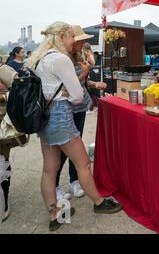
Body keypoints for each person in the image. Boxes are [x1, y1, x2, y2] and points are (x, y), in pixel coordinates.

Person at [26, 22, 122, 232]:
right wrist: (71, 93)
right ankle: (99, 203)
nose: (74, 42)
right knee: (84, 163)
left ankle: (55, 215)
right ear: (62, 36)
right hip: (60, 116)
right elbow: (78, 96)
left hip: (45, 117)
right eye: (72, 37)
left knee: (49, 169)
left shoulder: (40, 59)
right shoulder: (61, 59)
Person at [55, 26, 107, 201]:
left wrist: (92, 84)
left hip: (79, 108)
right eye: (81, 41)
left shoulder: (77, 57)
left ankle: (74, 180)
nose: (84, 44)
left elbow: (82, 83)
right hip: (64, 109)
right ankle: (55, 186)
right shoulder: (60, 59)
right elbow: (63, 87)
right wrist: (84, 74)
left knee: (76, 147)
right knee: (61, 150)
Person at [0, 64, 18, 222]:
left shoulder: (3, 70)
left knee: (1, 163)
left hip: (1, 126)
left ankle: (3, 201)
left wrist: (3, 97)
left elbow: (21, 91)